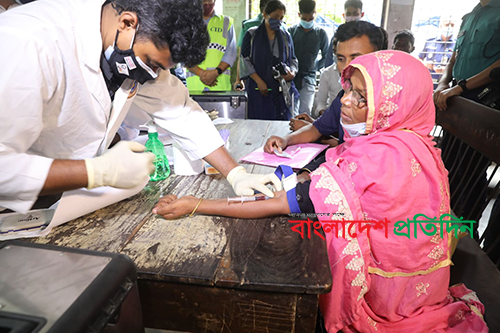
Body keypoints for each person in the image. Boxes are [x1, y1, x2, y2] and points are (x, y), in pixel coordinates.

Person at [152, 51, 487, 332]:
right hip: (422, 289)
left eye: (361, 97)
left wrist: (197, 204)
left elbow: (277, 204)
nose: (346, 102)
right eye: (348, 90)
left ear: (391, 105)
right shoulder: (418, 144)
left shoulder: (374, 159)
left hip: (386, 300)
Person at [0, 0, 281, 214]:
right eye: (153, 63)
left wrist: (236, 174)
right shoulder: (30, 42)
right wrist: (97, 171)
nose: (153, 75)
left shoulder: (133, 45)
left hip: (62, 203)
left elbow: (182, 113)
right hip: (13, 203)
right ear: (127, 23)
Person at [267, 21, 385, 166]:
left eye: (355, 58)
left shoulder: (392, 105)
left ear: (379, 57)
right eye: (341, 59)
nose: (346, 67)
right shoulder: (344, 96)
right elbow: (317, 128)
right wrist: (286, 140)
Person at [433, 0, 500, 237]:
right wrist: (443, 84)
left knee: (470, 177)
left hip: (484, 103)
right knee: (447, 169)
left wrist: (460, 87)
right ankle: (441, 234)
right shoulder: (469, 16)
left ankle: (465, 238)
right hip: (456, 101)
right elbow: (454, 58)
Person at [240, 0, 298, 120]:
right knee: (258, 121)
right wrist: (259, 81)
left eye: (281, 17)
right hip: (258, 88)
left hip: (281, 89)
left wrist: (292, 72)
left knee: (280, 124)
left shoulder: (285, 36)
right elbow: (245, 60)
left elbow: (293, 59)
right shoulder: (252, 34)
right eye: (275, 16)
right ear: (265, 14)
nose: (279, 21)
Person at [288, 0, 329, 116]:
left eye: (310, 19)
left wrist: (315, 67)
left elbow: (326, 56)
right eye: (304, 19)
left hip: (309, 79)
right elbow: (286, 55)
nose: (307, 21)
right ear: (299, 15)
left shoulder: (321, 33)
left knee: (305, 112)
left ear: (315, 14)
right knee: (291, 111)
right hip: (292, 78)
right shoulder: (291, 32)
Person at [186, 0, 236, 92]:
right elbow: (183, 54)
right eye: (203, 0)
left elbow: (231, 53)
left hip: (220, 84)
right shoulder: (188, 23)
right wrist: (201, 73)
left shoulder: (226, 22)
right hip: (195, 86)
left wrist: (216, 73)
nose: (207, 3)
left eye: (210, 0)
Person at [234, 0, 271, 91]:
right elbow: (242, 55)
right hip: (256, 76)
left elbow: (241, 55)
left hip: (253, 78)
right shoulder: (249, 27)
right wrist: (239, 79)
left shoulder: (281, 28)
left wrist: (239, 79)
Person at [324, 0, 364, 68]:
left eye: (355, 14)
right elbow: (329, 61)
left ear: (362, 14)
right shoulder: (337, 36)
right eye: (348, 14)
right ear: (343, 15)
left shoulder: (365, 37)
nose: (351, 17)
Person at [419, 18, 456, 82]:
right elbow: (419, 58)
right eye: (447, 25)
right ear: (441, 26)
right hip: (427, 79)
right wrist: (426, 64)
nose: (449, 27)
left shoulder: (457, 44)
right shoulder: (430, 41)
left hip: (446, 82)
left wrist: (447, 69)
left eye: (452, 25)